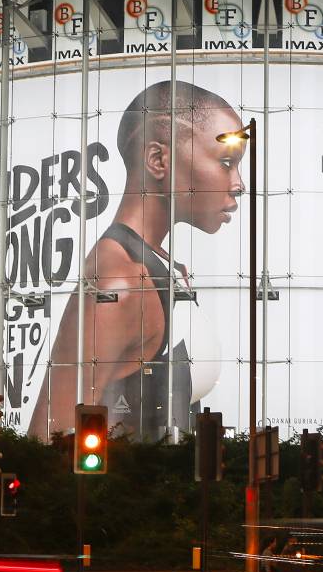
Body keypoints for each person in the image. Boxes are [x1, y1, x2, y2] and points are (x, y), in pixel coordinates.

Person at [28, 80, 244, 439]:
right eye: (226, 162)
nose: (238, 184)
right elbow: (50, 435)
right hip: (127, 490)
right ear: (158, 160)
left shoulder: (156, 267)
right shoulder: (121, 278)